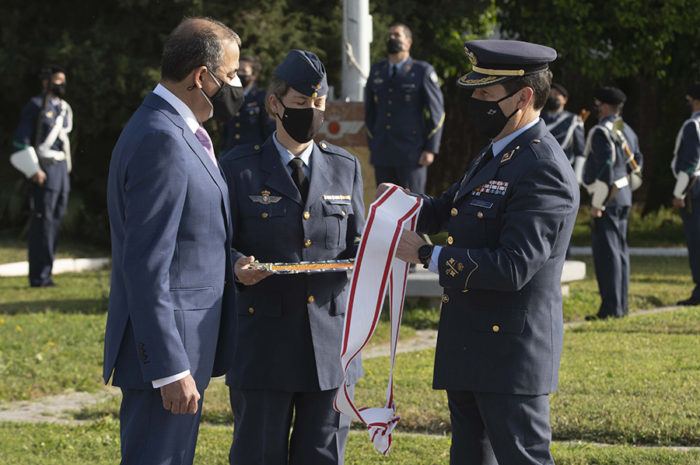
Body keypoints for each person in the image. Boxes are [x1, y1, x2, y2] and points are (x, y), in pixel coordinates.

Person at [380, 39, 579, 465]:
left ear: (522, 97)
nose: (474, 101)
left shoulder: (541, 166)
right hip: (470, 347)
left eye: (485, 94)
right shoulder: (498, 153)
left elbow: (513, 267)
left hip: (509, 358)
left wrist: (425, 256)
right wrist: (401, 202)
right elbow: (448, 209)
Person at [103, 17, 243, 465]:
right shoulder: (162, 138)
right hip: (167, 360)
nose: (236, 87)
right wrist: (170, 367)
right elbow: (146, 264)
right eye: (230, 77)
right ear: (200, 77)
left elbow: (190, 238)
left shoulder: (174, 128)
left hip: (184, 349)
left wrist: (234, 263)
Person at [220, 49, 364, 465]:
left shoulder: (345, 167)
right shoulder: (238, 168)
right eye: (301, 104)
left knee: (322, 456)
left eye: (318, 104)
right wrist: (235, 265)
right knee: (258, 455)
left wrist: (381, 251)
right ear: (275, 104)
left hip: (330, 347)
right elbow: (214, 243)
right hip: (264, 345)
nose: (312, 113)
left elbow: (357, 242)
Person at [582, 86, 643, 320]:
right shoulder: (627, 130)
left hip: (607, 198)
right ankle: (621, 306)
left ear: (604, 106)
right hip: (624, 195)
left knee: (607, 255)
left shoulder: (601, 131)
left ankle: (611, 309)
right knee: (620, 253)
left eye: (598, 106)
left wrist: (598, 202)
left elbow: (605, 167)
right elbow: (637, 161)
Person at [364, 23, 445, 195]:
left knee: (411, 205)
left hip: (411, 153)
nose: (391, 39)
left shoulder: (422, 71)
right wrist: (373, 143)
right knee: (385, 206)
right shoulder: (378, 71)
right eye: (389, 36)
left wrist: (430, 148)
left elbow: (437, 112)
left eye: (396, 35)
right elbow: (369, 111)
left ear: (408, 42)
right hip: (383, 152)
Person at [12, 65, 73, 287]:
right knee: (43, 225)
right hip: (43, 171)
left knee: (55, 223)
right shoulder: (36, 106)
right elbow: (21, 141)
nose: (62, 85)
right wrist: (33, 170)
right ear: (45, 82)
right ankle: (38, 276)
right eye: (58, 80)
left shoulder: (63, 109)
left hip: (60, 171)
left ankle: (46, 273)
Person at [671, 82, 700, 306]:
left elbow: (689, 164)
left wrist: (679, 192)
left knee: (695, 240)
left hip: (694, 188)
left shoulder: (694, 125)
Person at [220, 54, 275, 153]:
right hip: (230, 156)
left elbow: (269, 130)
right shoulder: (230, 96)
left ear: (254, 75)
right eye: (237, 71)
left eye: (244, 71)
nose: (239, 74)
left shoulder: (262, 98)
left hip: (253, 157)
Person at [542, 82, 585, 176]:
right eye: (550, 94)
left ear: (564, 100)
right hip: (539, 169)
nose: (552, 97)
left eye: (556, 94)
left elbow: (580, 152)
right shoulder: (537, 118)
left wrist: (577, 179)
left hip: (561, 171)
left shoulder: (573, 120)